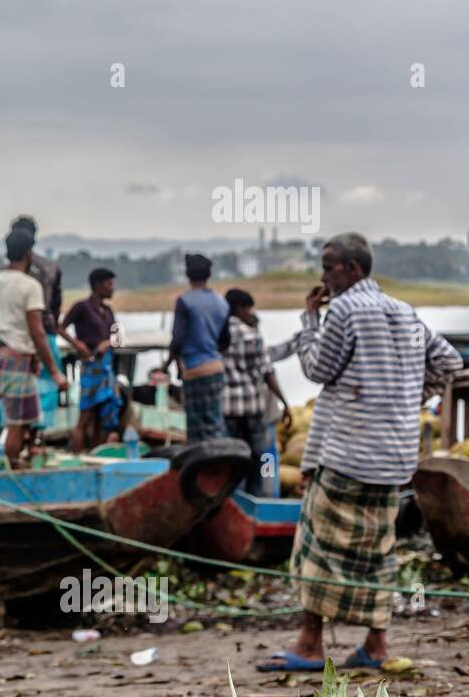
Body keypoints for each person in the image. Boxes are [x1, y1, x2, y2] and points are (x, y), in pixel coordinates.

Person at [258, 234, 462, 672]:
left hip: (346, 453)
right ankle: (377, 645)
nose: (323, 274)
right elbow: (448, 364)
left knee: (317, 546)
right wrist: (407, 399)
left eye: (330, 266)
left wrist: (311, 318)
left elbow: (317, 369)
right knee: (377, 551)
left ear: (353, 270)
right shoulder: (405, 312)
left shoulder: (346, 310)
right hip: (392, 458)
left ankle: (311, 644)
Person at [0, 230, 68, 466]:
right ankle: (9, 466)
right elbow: (37, 332)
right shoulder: (30, 286)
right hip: (13, 358)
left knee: (26, 414)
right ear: (29, 253)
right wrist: (56, 371)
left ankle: (17, 459)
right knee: (16, 421)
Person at [221, 289, 292, 494]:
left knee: (238, 458)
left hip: (231, 409)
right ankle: (268, 494)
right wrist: (285, 404)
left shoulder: (219, 338)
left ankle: (241, 496)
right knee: (266, 458)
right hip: (259, 413)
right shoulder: (254, 340)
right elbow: (268, 372)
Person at [165, 253, 230, 443]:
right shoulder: (221, 302)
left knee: (196, 428)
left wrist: (166, 365)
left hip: (195, 370)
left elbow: (177, 339)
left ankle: (202, 469)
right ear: (209, 274)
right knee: (215, 423)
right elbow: (225, 340)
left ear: (187, 274)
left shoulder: (185, 301)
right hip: (216, 368)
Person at [9, 215, 63, 425]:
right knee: (48, 386)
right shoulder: (50, 267)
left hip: (15, 339)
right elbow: (56, 307)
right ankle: (39, 438)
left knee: (15, 392)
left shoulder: (7, 272)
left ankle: (19, 436)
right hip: (45, 334)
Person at [60, 268, 123, 451]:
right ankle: (78, 454)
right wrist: (78, 345)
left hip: (106, 366)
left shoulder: (108, 310)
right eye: (109, 284)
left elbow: (117, 337)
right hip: (91, 365)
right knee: (85, 416)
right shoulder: (82, 307)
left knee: (102, 416)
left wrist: (107, 343)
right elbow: (60, 328)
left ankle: (97, 455)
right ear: (97, 286)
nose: (112, 288)